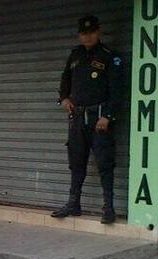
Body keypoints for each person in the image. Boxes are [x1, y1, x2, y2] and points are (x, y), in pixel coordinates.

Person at [52, 15, 124, 224]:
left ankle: (108, 208)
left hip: (99, 118)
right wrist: (63, 99)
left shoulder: (109, 56)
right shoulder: (75, 55)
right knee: (76, 161)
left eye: (92, 32)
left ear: (99, 32)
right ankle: (74, 204)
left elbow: (117, 91)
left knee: (104, 162)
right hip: (77, 118)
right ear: (79, 35)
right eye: (84, 33)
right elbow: (65, 79)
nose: (88, 36)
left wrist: (107, 116)